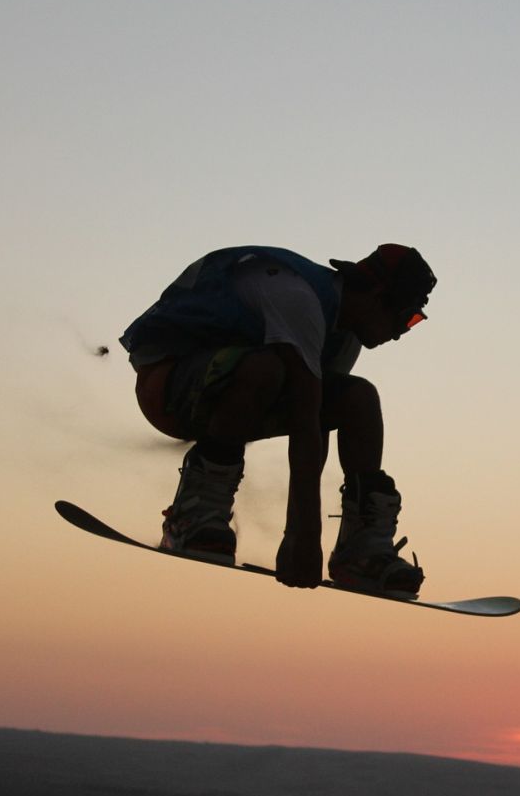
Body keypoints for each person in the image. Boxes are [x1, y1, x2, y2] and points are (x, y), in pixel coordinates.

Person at [119, 244, 435, 594]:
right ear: (378, 295)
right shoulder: (297, 299)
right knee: (264, 369)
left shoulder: (344, 335)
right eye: (408, 317)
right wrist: (301, 538)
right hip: (165, 386)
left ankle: (360, 550)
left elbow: (315, 426)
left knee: (358, 397)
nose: (401, 332)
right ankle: (193, 515)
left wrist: (302, 531)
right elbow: (302, 421)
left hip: (226, 390)